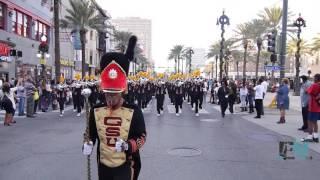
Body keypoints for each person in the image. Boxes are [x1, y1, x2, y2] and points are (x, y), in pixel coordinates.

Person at [82, 36, 147, 180]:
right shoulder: (95, 110)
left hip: (126, 165)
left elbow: (142, 137)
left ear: (122, 91)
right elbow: (90, 134)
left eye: (114, 94)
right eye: (107, 94)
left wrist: (128, 146)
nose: (110, 98)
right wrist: (88, 143)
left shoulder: (134, 110)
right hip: (103, 166)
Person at [301, 74, 320, 143]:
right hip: (318, 106)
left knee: (309, 121)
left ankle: (309, 137)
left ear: (317, 78)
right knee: (315, 122)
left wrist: (306, 89)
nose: (313, 79)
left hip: (313, 106)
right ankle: (316, 137)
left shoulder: (315, 85)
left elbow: (308, 91)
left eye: (314, 78)